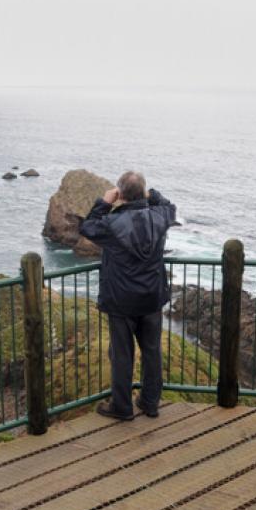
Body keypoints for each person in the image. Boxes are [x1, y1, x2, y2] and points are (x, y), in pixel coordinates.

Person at [79, 171, 177, 420]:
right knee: (152, 351)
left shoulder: (111, 224)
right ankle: (150, 403)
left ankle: (122, 407)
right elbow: (169, 206)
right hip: (151, 297)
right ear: (142, 193)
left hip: (121, 300)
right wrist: (151, 194)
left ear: (120, 194)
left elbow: (87, 227)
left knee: (122, 355)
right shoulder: (159, 217)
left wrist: (104, 202)